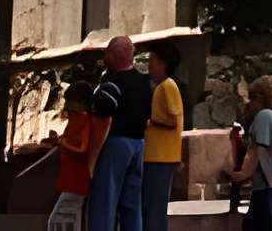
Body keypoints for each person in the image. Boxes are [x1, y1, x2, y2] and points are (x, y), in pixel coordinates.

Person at [87, 36, 150, 231]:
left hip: (116, 145)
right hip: (138, 145)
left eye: (107, 52)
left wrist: (92, 160)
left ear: (114, 56)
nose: (104, 56)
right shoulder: (146, 83)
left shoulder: (111, 86)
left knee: (104, 202)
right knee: (132, 205)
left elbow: (103, 122)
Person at [229, 78, 272, 231]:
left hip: (265, 186)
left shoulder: (263, 116)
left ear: (260, 98)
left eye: (252, 99)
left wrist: (243, 175)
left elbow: (259, 151)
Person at [141, 46, 183, 231]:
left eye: (152, 61)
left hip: (161, 157)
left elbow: (173, 121)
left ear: (163, 64)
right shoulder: (161, 87)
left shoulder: (168, 86)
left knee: (154, 209)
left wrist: (149, 121)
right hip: (155, 156)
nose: (149, 66)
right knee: (150, 208)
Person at [46, 77, 96, 231]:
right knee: (68, 215)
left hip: (77, 178)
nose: (67, 105)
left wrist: (63, 143)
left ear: (80, 102)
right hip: (70, 175)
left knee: (60, 217)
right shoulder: (75, 119)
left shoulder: (86, 120)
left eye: (70, 101)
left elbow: (83, 148)